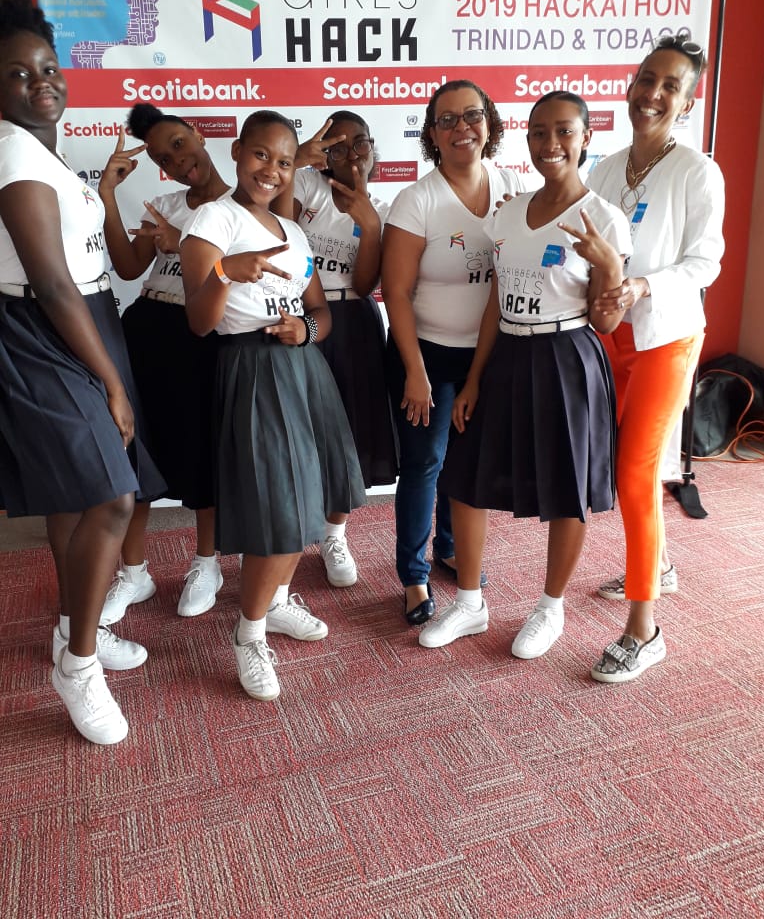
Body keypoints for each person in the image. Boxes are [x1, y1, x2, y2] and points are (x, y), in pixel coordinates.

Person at [0, 0, 165, 744]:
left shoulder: (43, 149)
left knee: (73, 497)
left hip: (86, 319)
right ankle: (79, 667)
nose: (41, 82)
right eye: (18, 73)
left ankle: (73, 631)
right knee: (110, 498)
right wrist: (112, 382)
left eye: (48, 67)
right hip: (47, 329)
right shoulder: (13, 154)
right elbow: (51, 282)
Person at [417, 91, 631, 653]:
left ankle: (549, 608)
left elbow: (607, 322)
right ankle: (470, 603)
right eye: (539, 132)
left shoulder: (604, 219)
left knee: (567, 487)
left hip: (567, 357)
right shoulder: (509, 212)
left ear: (586, 138)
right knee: (465, 478)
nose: (550, 143)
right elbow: (497, 298)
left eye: (564, 131)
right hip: (508, 352)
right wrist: (474, 379)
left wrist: (610, 264)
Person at [180, 110, 366, 701]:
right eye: (261, 155)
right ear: (237, 151)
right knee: (278, 509)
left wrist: (304, 330)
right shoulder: (214, 218)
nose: (272, 170)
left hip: (303, 370)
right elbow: (199, 322)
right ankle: (249, 634)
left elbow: (323, 312)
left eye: (284, 162)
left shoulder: (293, 231)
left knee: (312, 497)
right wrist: (224, 274)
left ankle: (278, 602)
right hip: (253, 370)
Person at [585, 34, 725, 683]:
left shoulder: (697, 171)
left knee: (636, 475)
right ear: (631, 85)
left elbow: (705, 262)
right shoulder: (605, 169)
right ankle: (658, 567)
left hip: (666, 335)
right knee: (620, 469)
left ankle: (645, 631)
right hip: (610, 338)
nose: (653, 94)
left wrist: (641, 285)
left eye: (671, 86)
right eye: (647, 79)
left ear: (687, 103)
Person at [381, 80, 524, 624]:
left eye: (472, 115)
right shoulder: (418, 200)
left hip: (487, 354)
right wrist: (414, 372)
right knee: (425, 464)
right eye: (447, 119)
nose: (462, 127)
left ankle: (449, 547)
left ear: (489, 123)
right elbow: (396, 293)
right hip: (426, 356)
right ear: (432, 133)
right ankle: (413, 575)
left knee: (465, 465)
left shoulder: (513, 187)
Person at [96, 104, 228, 623]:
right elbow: (129, 268)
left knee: (204, 448)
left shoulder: (244, 205)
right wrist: (108, 195)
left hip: (205, 334)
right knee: (136, 447)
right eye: (162, 158)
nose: (175, 160)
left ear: (198, 134)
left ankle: (207, 564)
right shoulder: (167, 205)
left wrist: (185, 244)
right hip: (148, 328)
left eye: (177, 144)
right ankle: (134, 572)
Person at [293, 111, 398, 587]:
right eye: (337, 146)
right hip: (301, 317)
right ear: (324, 154)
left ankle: (334, 534)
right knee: (297, 427)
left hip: (354, 320)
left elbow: (365, 282)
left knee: (348, 432)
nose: (351, 153)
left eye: (360, 143)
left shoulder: (386, 207)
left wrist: (370, 227)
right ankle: (293, 531)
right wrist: (297, 161)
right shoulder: (306, 186)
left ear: (373, 148)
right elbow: (276, 231)